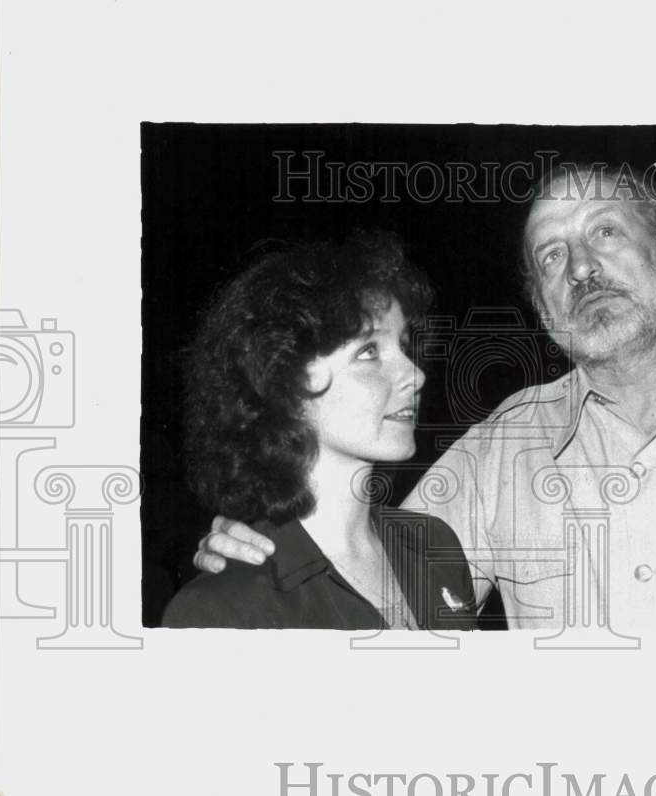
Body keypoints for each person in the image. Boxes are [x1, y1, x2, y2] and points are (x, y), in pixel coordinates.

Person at [193, 165, 656, 632]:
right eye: (553, 257)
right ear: (540, 305)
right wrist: (263, 542)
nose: (582, 269)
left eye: (606, 234)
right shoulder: (500, 454)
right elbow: (364, 568)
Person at [163, 232, 477, 630]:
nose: (414, 374)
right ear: (284, 381)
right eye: (369, 352)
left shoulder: (435, 546)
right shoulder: (223, 611)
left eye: (404, 346)